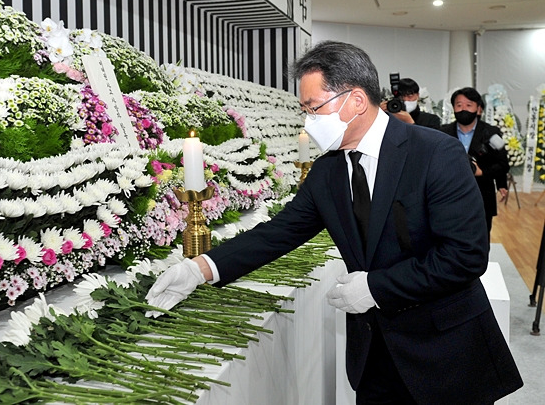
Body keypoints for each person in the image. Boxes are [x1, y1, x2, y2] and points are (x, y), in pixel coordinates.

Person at [146, 41, 523, 404]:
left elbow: (464, 256)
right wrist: (200, 269)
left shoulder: (434, 153)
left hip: (445, 353)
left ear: (356, 100)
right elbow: (280, 231)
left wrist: (376, 287)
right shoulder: (328, 171)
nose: (309, 122)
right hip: (375, 355)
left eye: (314, 109)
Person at [440, 87, 510, 238]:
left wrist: (483, 172)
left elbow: (503, 164)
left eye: (468, 105)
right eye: (459, 105)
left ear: (479, 109)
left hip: (482, 197)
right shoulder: (443, 133)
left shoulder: (491, 133)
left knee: (480, 241)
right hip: (449, 199)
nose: (463, 109)